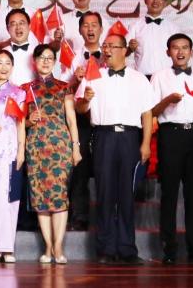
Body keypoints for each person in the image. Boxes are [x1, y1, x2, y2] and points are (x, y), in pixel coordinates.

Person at [75, 33, 156, 264]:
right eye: (105, 46)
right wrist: (85, 99)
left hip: (130, 137)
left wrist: (145, 143)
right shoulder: (93, 75)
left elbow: (147, 113)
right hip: (103, 137)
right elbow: (80, 109)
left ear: (124, 50)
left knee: (127, 195)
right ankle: (105, 249)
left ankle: (128, 249)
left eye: (112, 46)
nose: (107, 50)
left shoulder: (139, 79)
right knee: (105, 193)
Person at [150, 33, 193, 265]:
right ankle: (169, 249)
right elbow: (152, 112)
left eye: (185, 48)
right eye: (175, 48)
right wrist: (167, 100)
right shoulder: (159, 77)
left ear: (192, 52)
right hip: (171, 135)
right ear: (168, 52)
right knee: (169, 193)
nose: (180, 52)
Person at [24, 44, 82, 264]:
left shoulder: (63, 87)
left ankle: (58, 247)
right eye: (41, 57)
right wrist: (29, 120)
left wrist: (76, 147)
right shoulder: (25, 89)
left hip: (60, 147)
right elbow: (20, 123)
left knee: (59, 196)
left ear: (55, 62)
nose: (46, 61)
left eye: (50, 58)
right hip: (36, 146)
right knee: (40, 197)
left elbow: (71, 120)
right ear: (34, 61)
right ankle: (47, 246)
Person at [0, 49, 26, 263]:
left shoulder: (19, 93)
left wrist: (21, 150)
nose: (3, 67)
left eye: (8, 63)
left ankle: (8, 247)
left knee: (10, 198)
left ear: (12, 67)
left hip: (10, 149)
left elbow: (21, 123)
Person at [68, 11, 103, 230]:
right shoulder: (72, 58)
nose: (90, 29)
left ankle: (106, 217)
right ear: (80, 30)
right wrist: (75, 79)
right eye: (86, 25)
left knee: (105, 168)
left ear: (101, 29)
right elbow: (65, 90)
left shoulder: (111, 55)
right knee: (79, 167)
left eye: (94, 25)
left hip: (106, 118)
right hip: (81, 117)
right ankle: (79, 216)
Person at [127, 0, 180, 78]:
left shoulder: (173, 28)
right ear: (145, 0)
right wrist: (130, 48)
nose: (155, 1)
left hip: (167, 77)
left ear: (166, 3)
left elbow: (178, 54)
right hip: (142, 77)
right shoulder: (134, 26)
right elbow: (124, 52)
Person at [4, 8, 39, 86]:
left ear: (29, 26)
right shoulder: (1, 55)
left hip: (35, 93)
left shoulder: (39, 52)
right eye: (13, 24)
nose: (18, 27)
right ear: (7, 29)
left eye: (21, 23)